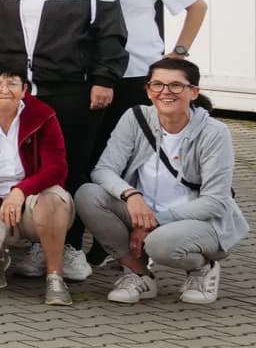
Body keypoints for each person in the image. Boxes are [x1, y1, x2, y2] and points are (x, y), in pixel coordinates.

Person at [0, 0, 126, 276]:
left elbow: (110, 33)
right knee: (29, 168)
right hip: (21, 92)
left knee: (73, 169)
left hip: (73, 88)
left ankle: (72, 247)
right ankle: (38, 246)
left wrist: (103, 79)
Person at [81, 57, 246, 306]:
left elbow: (215, 202)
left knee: (160, 243)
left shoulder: (214, 132)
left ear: (193, 92)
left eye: (175, 86)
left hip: (199, 221)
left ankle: (203, 268)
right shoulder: (135, 118)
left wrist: (154, 222)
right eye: (157, 84)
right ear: (148, 90)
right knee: (88, 194)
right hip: (143, 211)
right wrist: (131, 195)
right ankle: (138, 274)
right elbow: (103, 170)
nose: (165, 92)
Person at [0, 60, 75, 304]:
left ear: (25, 89)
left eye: (12, 83)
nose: (5, 89)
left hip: (32, 200)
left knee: (53, 201)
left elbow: (56, 168)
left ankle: (54, 276)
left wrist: (21, 191)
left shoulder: (42, 115)